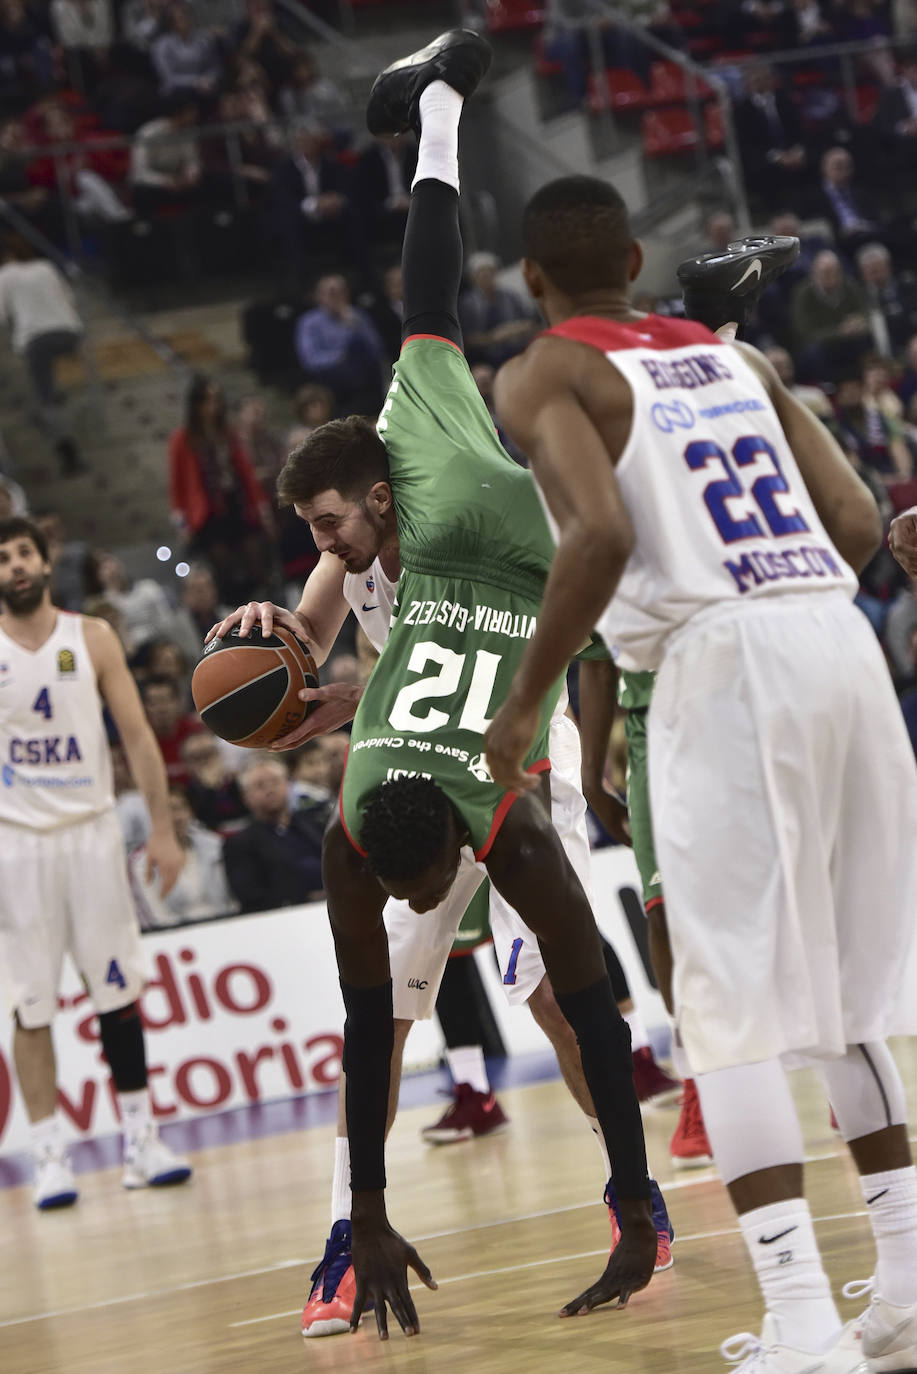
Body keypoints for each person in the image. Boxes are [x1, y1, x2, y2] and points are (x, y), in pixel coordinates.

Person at [247, 31, 661, 1340]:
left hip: (492, 759)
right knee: (398, 1014)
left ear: (379, 492)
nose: (324, 545)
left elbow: (571, 639)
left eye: (331, 522)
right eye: (308, 532)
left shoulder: (418, 458)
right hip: (446, 771)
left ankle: (630, 1186)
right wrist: (277, 652)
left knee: (562, 994)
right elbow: (305, 655)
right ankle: (344, 1228)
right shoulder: (342, 553)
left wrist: (585, 758)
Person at [482, 175, 917, 1371]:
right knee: (844, 996)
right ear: (632, 255)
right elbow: (853, 515)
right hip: (834, 639)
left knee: (724, 1013)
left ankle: (798, 1323)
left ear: (530, 278)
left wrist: (524, 706)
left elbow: (602, 537)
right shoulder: (748, 365)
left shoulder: (541, 372)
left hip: (715, 661)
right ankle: (904, 1291)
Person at [0, 517, 192, 1209]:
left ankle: (142, 1141)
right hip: (17, 847)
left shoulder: (94, 636)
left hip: (92, 834)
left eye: (24, 552)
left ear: (46, 561)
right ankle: (50, 1153)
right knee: (30, 1005)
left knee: (119, 995)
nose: (16, 566)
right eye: (3, 558)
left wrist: (164, 833)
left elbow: (140, 739)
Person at [167, 373, 273, 604]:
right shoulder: (183, 439)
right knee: (222, 566)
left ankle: (263, 602)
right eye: (207, 400)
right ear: (196, 404)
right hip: (208, 513)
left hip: (237, 504)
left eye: (215, 399)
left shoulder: (228, 433)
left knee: (255, 555)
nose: (212, 406)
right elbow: (177, 486)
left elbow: (245, 473)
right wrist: (181, 523)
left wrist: (261, 506)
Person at [0, 235, 85, 476]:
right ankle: (53, 402)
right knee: (47, 391)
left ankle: (68, 451)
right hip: (68, 332)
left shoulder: (6, 274)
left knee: (44, 400)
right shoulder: (45, 267)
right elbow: (69, 298)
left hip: (36, 338)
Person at [222, 755, 325, 911]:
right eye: (260, 785)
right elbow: (250, 896)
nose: (270, 789)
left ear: (289, 785)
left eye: (275, 781)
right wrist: (305, 899)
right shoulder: (239, 844)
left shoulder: (315, 824)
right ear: (245, 798)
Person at [130, 786, 237, 927]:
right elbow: (158, 916)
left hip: (227, 926)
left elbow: (232, 899)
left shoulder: (216, 846)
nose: (175, 817)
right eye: (166, 811)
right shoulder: (143, 863)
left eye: (179, 808)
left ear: (190, 812)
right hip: (178, 934)